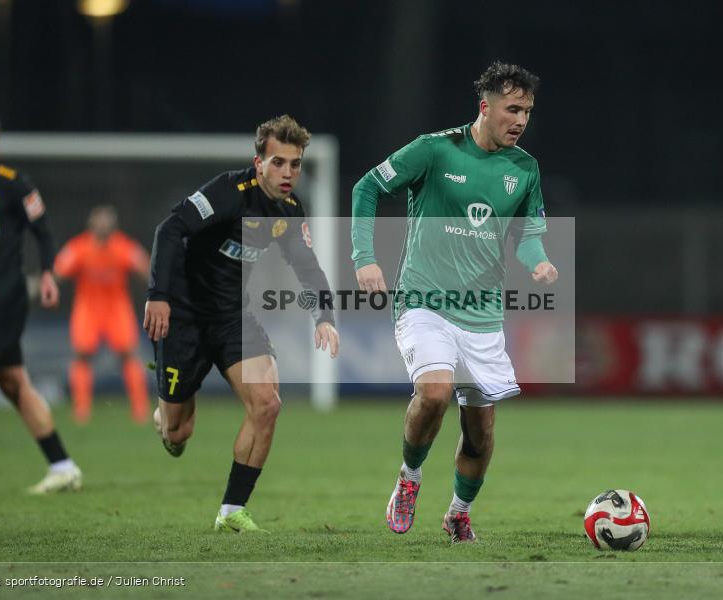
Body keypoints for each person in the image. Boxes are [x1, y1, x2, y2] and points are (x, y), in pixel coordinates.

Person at [351, 62, 558, 543]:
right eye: (512, 109)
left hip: (483, 315)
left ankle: (459, 512)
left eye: (527, 110)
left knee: (480, 428)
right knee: (435, 393)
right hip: (423, 302)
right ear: (484, 107)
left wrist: (538, 262)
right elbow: (367, 187)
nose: (521, 120)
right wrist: (364, 257)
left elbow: (529, 236)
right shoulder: (434, 149)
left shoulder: (524, 168)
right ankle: (410, 477)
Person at [144, 115, 339, 533]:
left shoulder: (289, 210)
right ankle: (166, 416)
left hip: (233, 318)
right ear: (259, 163)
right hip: (184, 318)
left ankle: (232, 510)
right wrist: (158, 295)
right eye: (279, 163)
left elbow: (306, 266)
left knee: (267, 404)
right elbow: (170, 228)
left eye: (296, 164)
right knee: (178, 433)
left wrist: (324, 317)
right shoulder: (228, 193)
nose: (288, 173)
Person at [0, 103, 82, 493]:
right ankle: (63, 466)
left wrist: (48, 273)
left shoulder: (15, 183)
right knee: (13, 383)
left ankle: (63, 466)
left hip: (5, 294)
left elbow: (43, 232)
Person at [54, 205, 151, 424]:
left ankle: (140, 410)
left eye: (107, 222)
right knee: (82, 355)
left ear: (113, 226)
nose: (103, 227)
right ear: (91, 225)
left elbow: (146, 269)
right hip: (88, 307)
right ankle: (81, 410)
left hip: (117, 307)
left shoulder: (123, 246)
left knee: (129, 354)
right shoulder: (79, 247)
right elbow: (59, 271)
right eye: (99, 222)